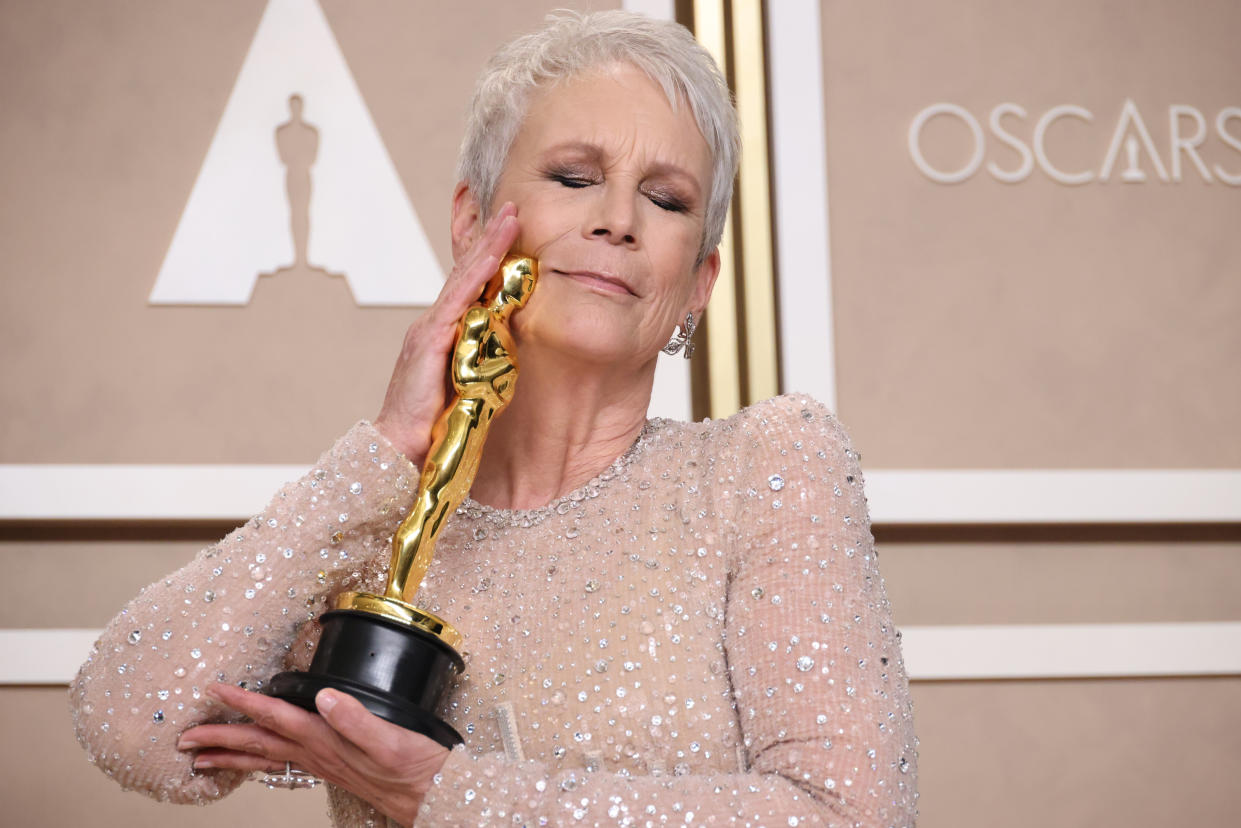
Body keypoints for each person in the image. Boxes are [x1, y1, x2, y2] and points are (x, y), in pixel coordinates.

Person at [70, 10, 918, 827]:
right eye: (573, 178)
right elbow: (133, 729)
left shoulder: (761, 470)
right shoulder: (377, 528)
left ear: (696, 283)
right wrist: (386, 450)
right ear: (472, 221)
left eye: (665, 200)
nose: (616, 220)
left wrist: (442, 794)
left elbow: (851, 815)